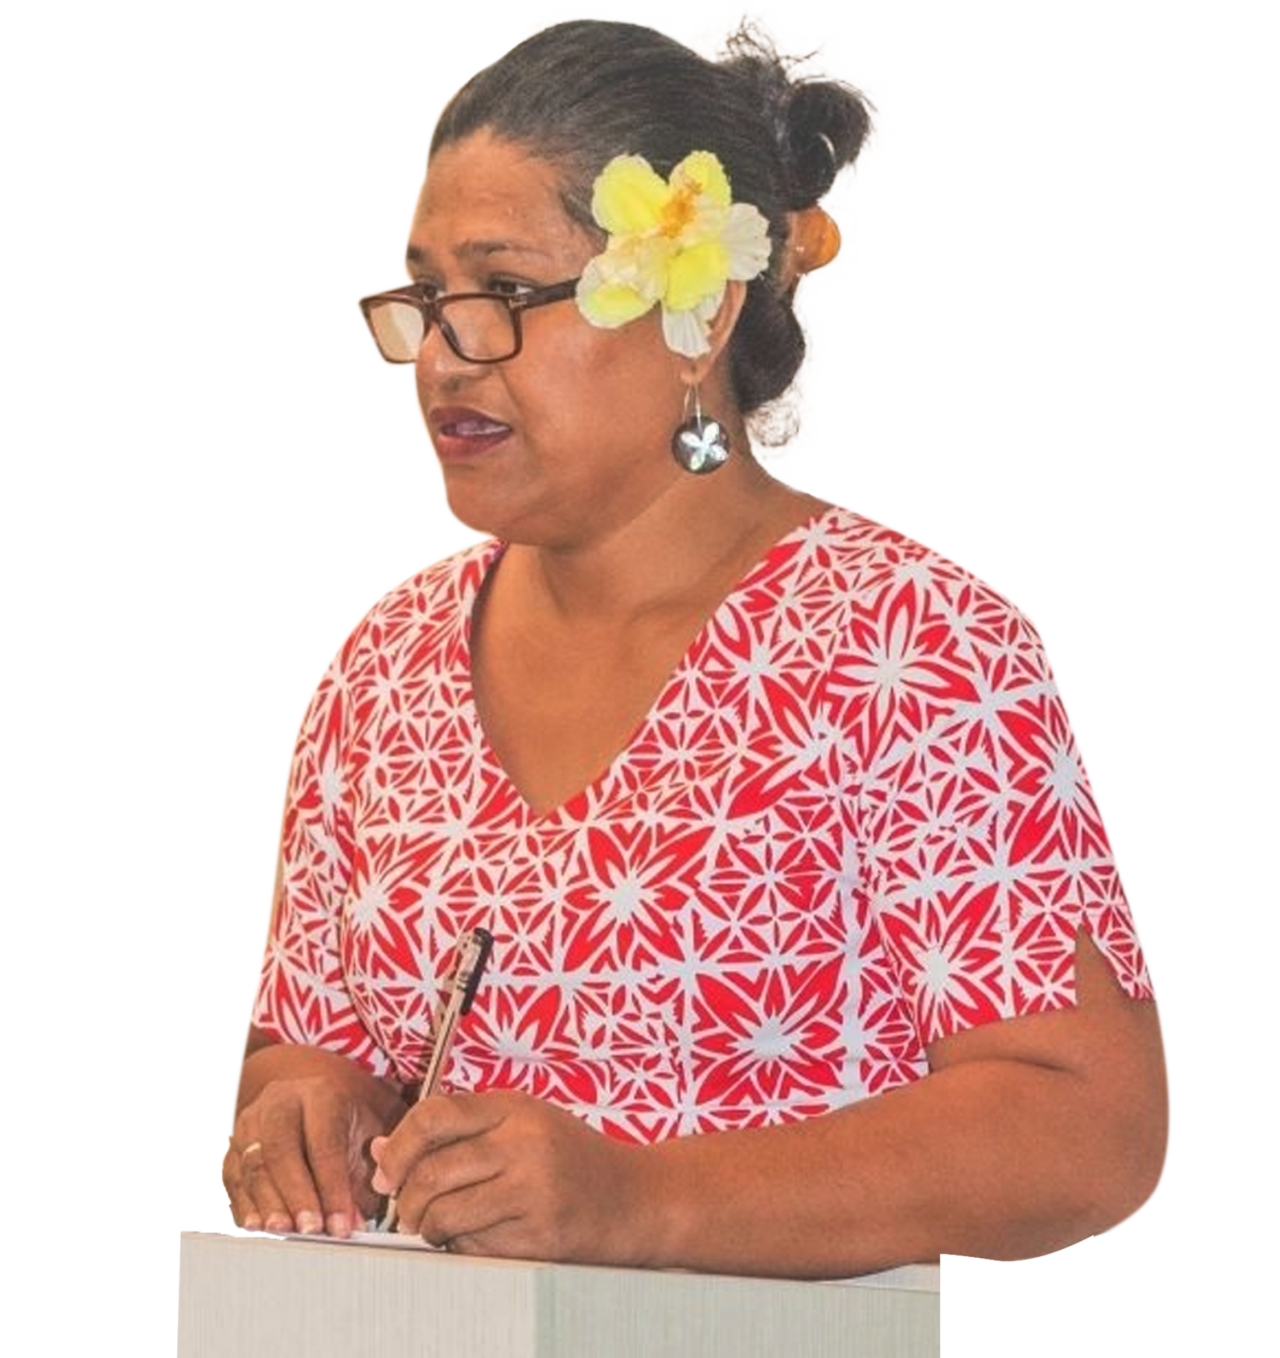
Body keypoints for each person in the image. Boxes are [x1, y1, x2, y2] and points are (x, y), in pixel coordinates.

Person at [223, 9, 1170, 1279]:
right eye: (427, 297)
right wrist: (305, 1110)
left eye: (502, 292)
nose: (441, 356)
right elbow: (304, 1043)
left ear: (701, 312)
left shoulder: (906, 641)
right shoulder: (381, 665)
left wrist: (641, 1201)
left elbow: (1086, 1127)